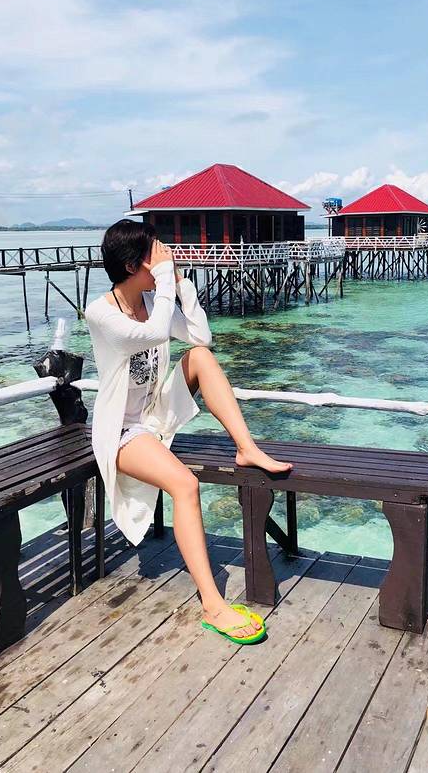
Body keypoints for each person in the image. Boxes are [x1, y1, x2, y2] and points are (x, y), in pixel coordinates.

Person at [84, 219, 293, 642]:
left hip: (153, 413)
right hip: (121, 431)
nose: (164, 258)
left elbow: (201, 336)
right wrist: (165, 282)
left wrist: (180, 285)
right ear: (132, 266)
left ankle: (246, 447)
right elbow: (152, 334)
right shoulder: (101, 313)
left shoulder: (152, 299)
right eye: (155, 255)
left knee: (200, 357)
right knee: (185, 485)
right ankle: (213, 604)